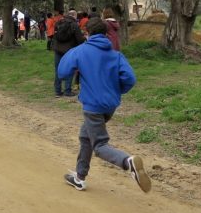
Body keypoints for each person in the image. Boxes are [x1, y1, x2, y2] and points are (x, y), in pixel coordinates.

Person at [58, 17, 151, 193]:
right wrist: (117, 91)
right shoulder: (115, 54)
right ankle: (79, 177)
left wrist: (74, 60)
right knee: (85, 136)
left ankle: (127, 162)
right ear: (106, 33)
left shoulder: (80, 51)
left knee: (100, 146)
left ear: (87, 33)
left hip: (92, 106)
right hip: (110, 106)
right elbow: (130, 79)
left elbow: (62, 72)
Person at [53, 10, 85, 98]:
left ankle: (58, 91)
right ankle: (67, 90)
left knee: (58, 70)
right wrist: (84, 38)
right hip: (69, 51)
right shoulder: (74, 25)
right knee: (70, 69)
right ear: (74, 16)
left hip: (58, 49)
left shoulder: (58, 23)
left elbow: (55, 36)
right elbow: (79, 39)